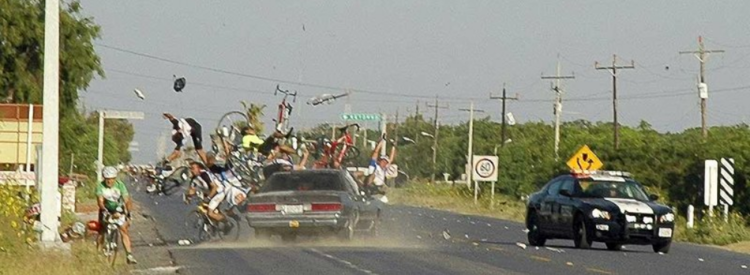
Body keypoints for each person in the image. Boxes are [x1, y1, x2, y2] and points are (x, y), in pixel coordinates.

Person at [96, 166, 137, 264]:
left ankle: (129, 255)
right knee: (101, 230)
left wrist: (129, 213)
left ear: (115, 178)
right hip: (105, 209)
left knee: (123, 230)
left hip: (118, 209)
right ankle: (98, 253)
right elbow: (100, 201)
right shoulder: (100, 186)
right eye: (107, 179)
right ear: (104, 179)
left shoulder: (120, 185)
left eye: (111, 179)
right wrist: (104, 210)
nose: (109, 181)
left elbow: (126, 200)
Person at [185, 161, 231, 231]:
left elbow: (214, 187)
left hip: (219, 192)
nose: (192, 170)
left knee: (210, 213)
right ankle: (215, 225)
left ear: (199, 168)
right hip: (210, 193)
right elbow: (192, 189)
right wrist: (188, 197)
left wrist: (208, 198)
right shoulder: (194, 178)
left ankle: (228, 223)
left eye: (193, 168)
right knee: (204, 208)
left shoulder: (204, 175)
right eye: (191, 168)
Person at [365, 134, 397, 202]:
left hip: (379, 190)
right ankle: (368, 190)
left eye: (385, 162)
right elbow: (376, 152)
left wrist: (393, 146)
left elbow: (391, 159)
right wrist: (382, 140)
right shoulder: (374, 165)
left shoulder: (384, 169)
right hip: (372, 186)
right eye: (383, 161)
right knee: (372, 175)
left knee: (385, 201)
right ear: (379, 161)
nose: (384, 163)